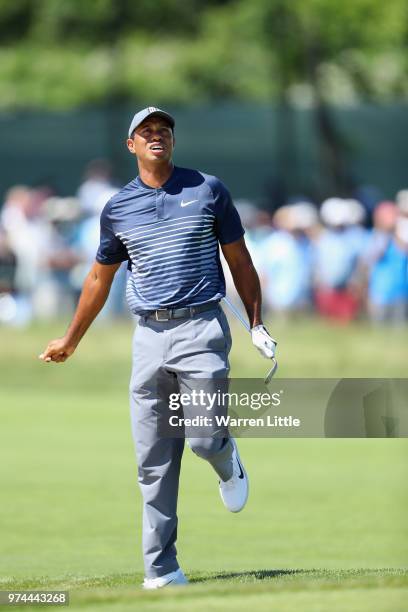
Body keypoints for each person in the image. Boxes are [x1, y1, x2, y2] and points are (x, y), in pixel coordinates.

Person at [39, 107, 277, 589]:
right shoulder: (118, 208)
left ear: (172, 141)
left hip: (202, 327)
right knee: (154, 459)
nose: (156, 137)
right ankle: (162, 568)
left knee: (204, 439)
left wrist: (255, 323)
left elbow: (239, 259)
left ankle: (226, 458)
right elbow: (97, 279)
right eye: (146, 132)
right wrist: (70, 339)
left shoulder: (207, 189)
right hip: (148, 336)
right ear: (131, 145)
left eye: (163, 131)